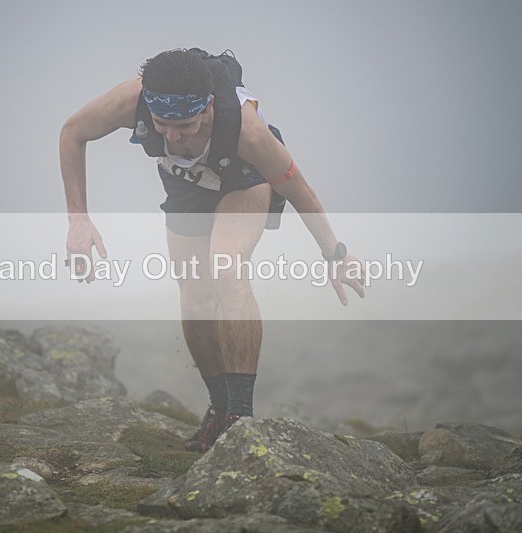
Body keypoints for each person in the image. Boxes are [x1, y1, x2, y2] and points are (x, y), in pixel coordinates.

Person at [59, 48, 365, 452]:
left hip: (244, 181)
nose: (172, 136)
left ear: (206, 109)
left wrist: (336, 255)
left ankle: (240, 417)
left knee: (226, 268)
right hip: (186, 186)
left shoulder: (247, 131)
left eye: (184, 125)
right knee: (196, 299)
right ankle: (219, 409)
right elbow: (71, 133)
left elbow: (299, 189)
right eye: (162, 124)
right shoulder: (131, 99)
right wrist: (78, 219)